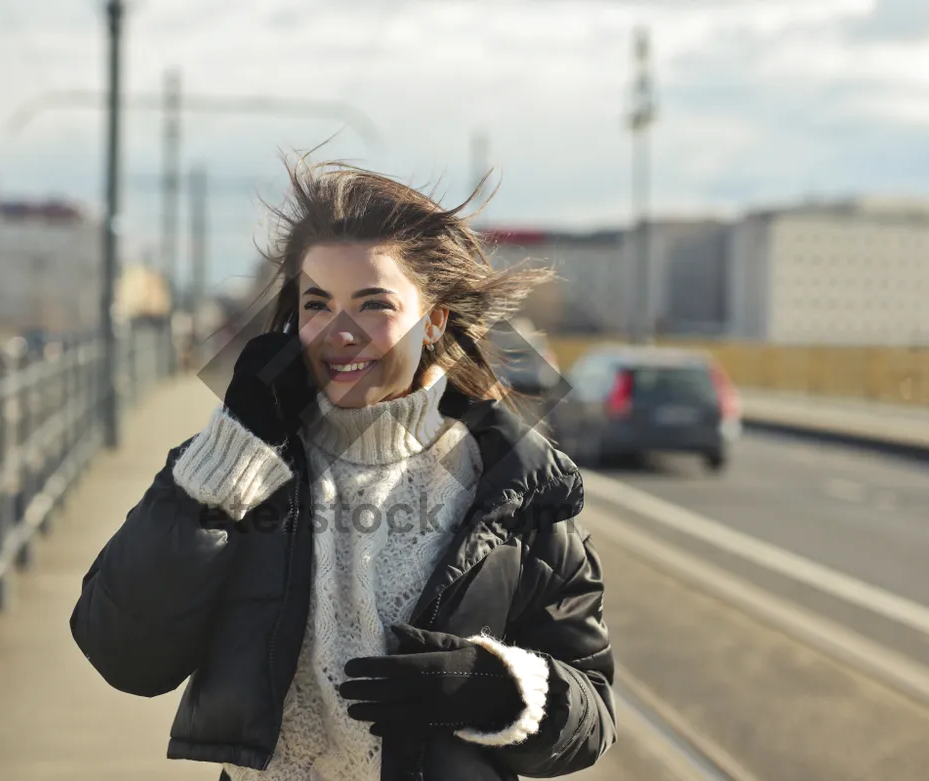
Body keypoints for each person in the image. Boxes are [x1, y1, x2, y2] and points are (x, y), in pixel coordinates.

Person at [70, 158, 617, 781]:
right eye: (317, 304)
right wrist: (230, 454)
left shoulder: (514, 486)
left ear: (434, 320)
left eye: (374, 304)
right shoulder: (233, 464)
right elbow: (124, 655)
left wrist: (503, 690)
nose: (340, 332)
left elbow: (592, 711)